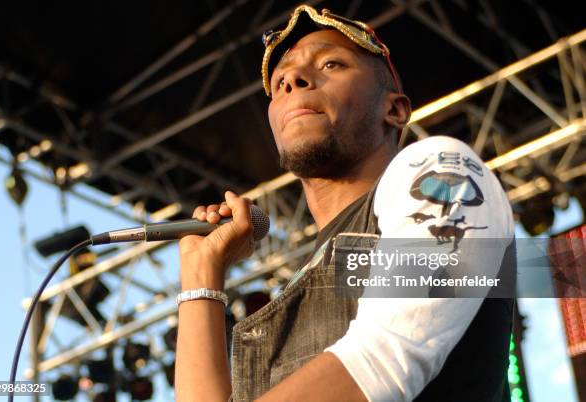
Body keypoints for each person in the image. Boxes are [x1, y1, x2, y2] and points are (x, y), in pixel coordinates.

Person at [174, 5, 516, 402]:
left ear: (394, 109)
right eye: (280, 80)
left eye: (331, 64)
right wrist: (201, 273)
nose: (292, 80)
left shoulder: (441, 170)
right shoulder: (302, 287)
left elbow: (382, 361)